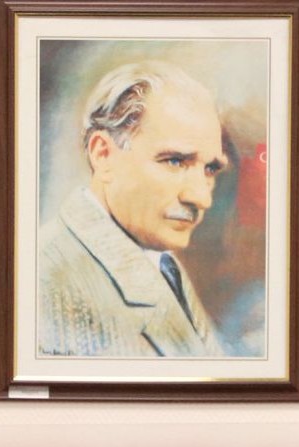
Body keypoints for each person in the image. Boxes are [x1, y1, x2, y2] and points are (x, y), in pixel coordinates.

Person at [37, 61, 229, 358]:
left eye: (210, 169)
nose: (202, 198)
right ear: (103, 155)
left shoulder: (161, 262)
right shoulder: (45, 282)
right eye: (175, 161)